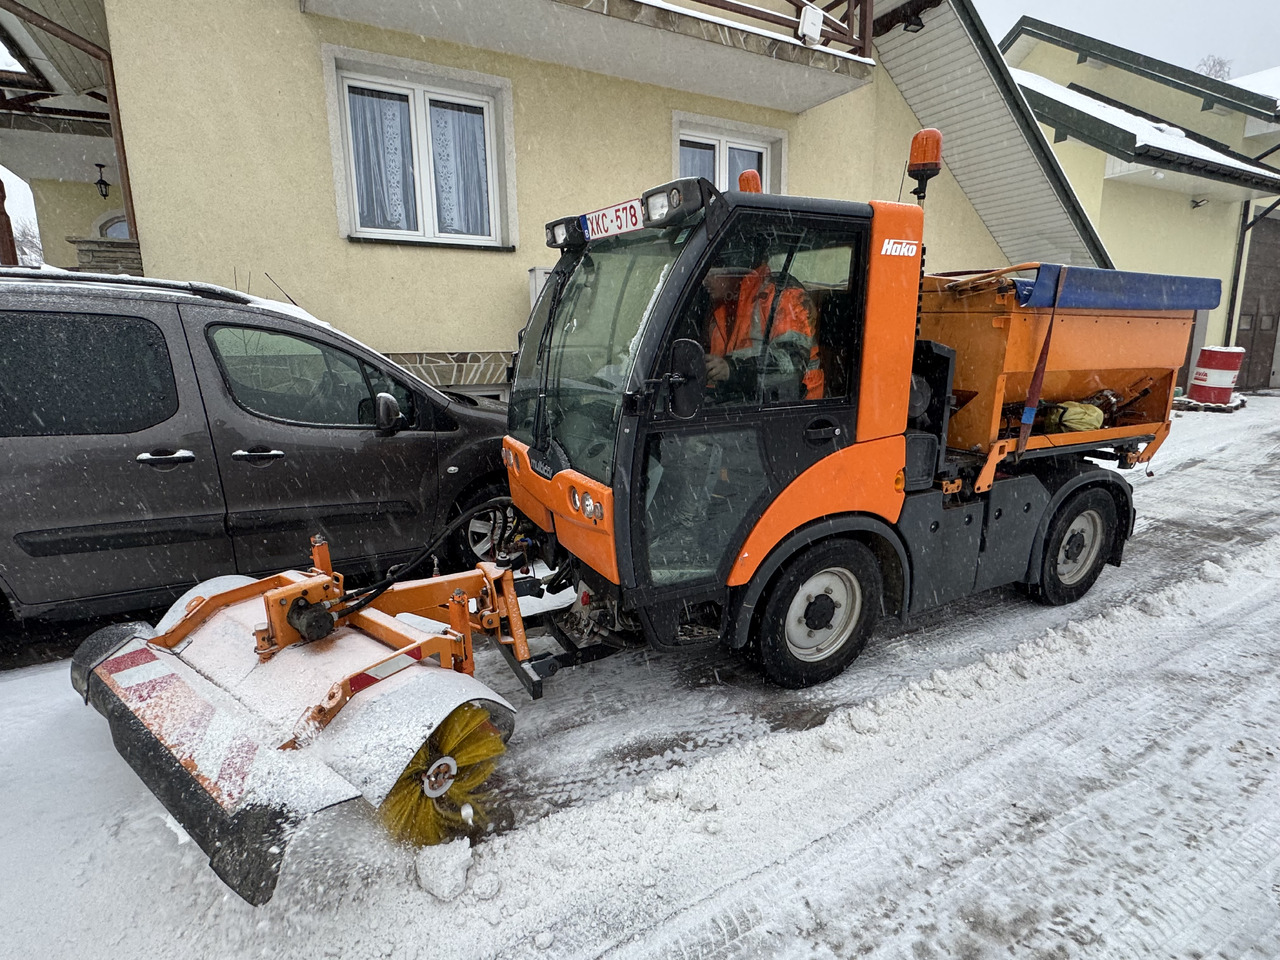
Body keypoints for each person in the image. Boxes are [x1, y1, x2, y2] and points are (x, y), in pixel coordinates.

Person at [703, 262, 823, 403]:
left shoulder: (783, 295)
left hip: (793, 405)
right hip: (744, 400)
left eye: (710, 273)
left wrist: (732, 371)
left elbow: (790, 365)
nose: (704, 281)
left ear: (732, 271)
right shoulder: (721, 306)